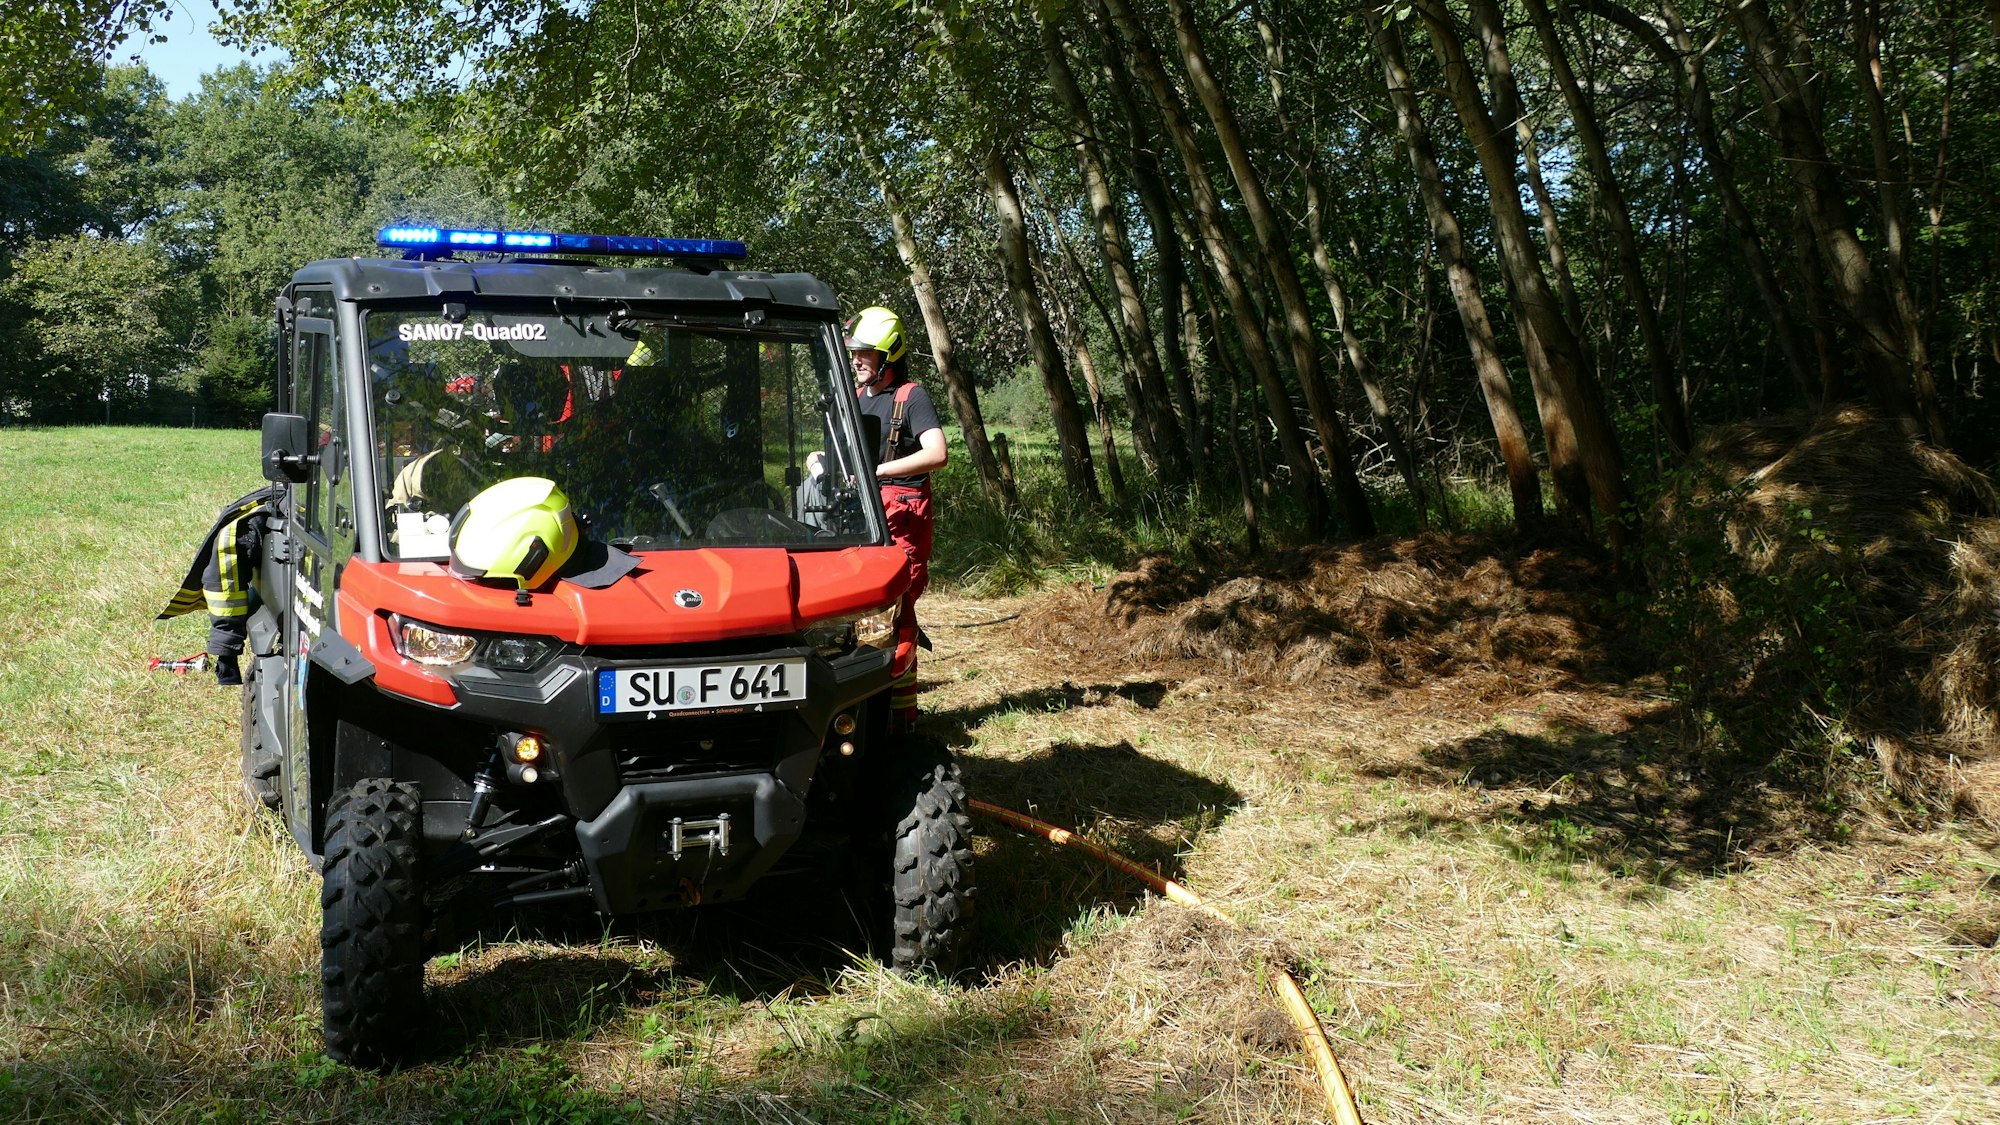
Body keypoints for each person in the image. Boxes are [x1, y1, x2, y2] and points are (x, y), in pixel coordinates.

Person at [847, 306, 947, 732]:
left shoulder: (912, 396)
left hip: (901, 518)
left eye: (865, 353)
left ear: (888, 355)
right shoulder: (857, 395)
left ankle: (902, 720)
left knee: (898, 613)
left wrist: (879, 471)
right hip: (864, 515)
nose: (856, 360)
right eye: (855, 352)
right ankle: (866, 709)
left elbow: (937, 452)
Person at [156, 485, 281, 686]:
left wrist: (225, 652)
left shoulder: (247, 525)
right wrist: (225, 648)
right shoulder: (273, 510)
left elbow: (225, 579)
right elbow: (225, 576)